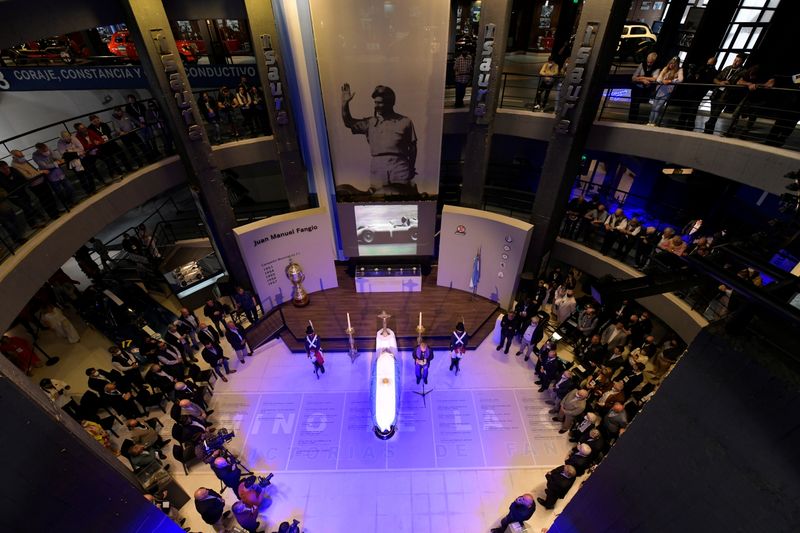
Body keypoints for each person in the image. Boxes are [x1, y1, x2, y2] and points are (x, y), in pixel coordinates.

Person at [341, 83, 417, 190]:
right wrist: (345, 104)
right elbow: (348, 122)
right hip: (378, 166)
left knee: (401, 198)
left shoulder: (405, 122)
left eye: (380, 103)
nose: (377, 106)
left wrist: (411, 168)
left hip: (399, 166)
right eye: (375, 102)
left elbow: (413, 148)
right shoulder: (370, 123)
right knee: (378, 199)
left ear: (390, 103)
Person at [9, 150, 60, 220]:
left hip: (41, 180)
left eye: (22, 155)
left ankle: (56, 211)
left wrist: (39, 173)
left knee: (50, 196)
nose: (22, 157)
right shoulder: (15, 166)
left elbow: (33, 170)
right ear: (14, 157)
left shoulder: (23, 161)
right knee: (44, 200)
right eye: (20, 156)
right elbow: (27, 176)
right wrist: (41, 172)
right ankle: (53, 215)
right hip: (34, 184)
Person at [704, 53, 747, 134]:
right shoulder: (727, 68)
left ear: (742, 62)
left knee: (715, 114)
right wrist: (720, 83)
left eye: (738, 61)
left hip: (726, 96)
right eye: (735, 60)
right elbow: (715, 79)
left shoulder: (743, 72)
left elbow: (740, 84)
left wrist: (730, 85)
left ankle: (707, 128)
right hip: (716, 94)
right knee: (713, 114)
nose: (735, 62)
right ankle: (709, 131)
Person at [676, 56, 718, 131]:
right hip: (690, 91)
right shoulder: (702, 68)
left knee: (693, 109)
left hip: (699, 93)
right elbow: (695, 75)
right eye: (708, 62)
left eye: (710, 63)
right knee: (685, 108)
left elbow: (707, 80)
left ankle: (689, 126)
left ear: (714, 63)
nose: (708, 63)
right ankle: (680, 124)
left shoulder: (713, 71)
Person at [57, 130, 99, 195]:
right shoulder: (60, 143)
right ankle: (88, 191)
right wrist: (76, 153)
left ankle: (93, 189)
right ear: (62, 138)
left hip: (82, 159)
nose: (67, 138)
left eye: (68, 136)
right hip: (73, 162)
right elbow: (63, 154)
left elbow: (81, 148)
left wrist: (70, 151)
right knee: (81, 177)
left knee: (88, 174)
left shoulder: (73, 138)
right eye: (65, 137)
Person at [32, 143, 73, 207]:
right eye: (44, 151)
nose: (46, 152)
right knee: (59, 192)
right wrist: (56, 163)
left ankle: (70, 200)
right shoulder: (35, 156)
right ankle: (66, 204)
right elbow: (44, 166)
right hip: (51, 176)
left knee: (69, 187)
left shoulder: (48, 148)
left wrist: (59, 159)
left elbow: (56, 156)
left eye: (46, 149)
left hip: (60, 172)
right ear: (39, 150)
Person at [648, 56, 683, 126]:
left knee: (658, 107)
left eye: (674, 64)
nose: (671, 65)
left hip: (667, 91)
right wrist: (663, 80)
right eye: (670, 63)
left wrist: (671, 81)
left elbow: (680, 80)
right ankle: (650, 122)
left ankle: (654, 123)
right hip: (659, 89)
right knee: (654, 107)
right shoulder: (665, 68)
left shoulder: (679, 70)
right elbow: (658, 79)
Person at [629, 52, 659, 123]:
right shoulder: (642, 64)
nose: (648, 64)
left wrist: (641, 77)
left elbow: (654, 79)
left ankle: (635, 121)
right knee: (633, 105)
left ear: (654, 62)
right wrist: (643, 80)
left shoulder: (656, 68)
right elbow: (633, 78)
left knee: (639, 106)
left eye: (651, 63)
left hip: (645, 90)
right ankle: (631, 121)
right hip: (637, 88)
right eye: (648, 62)